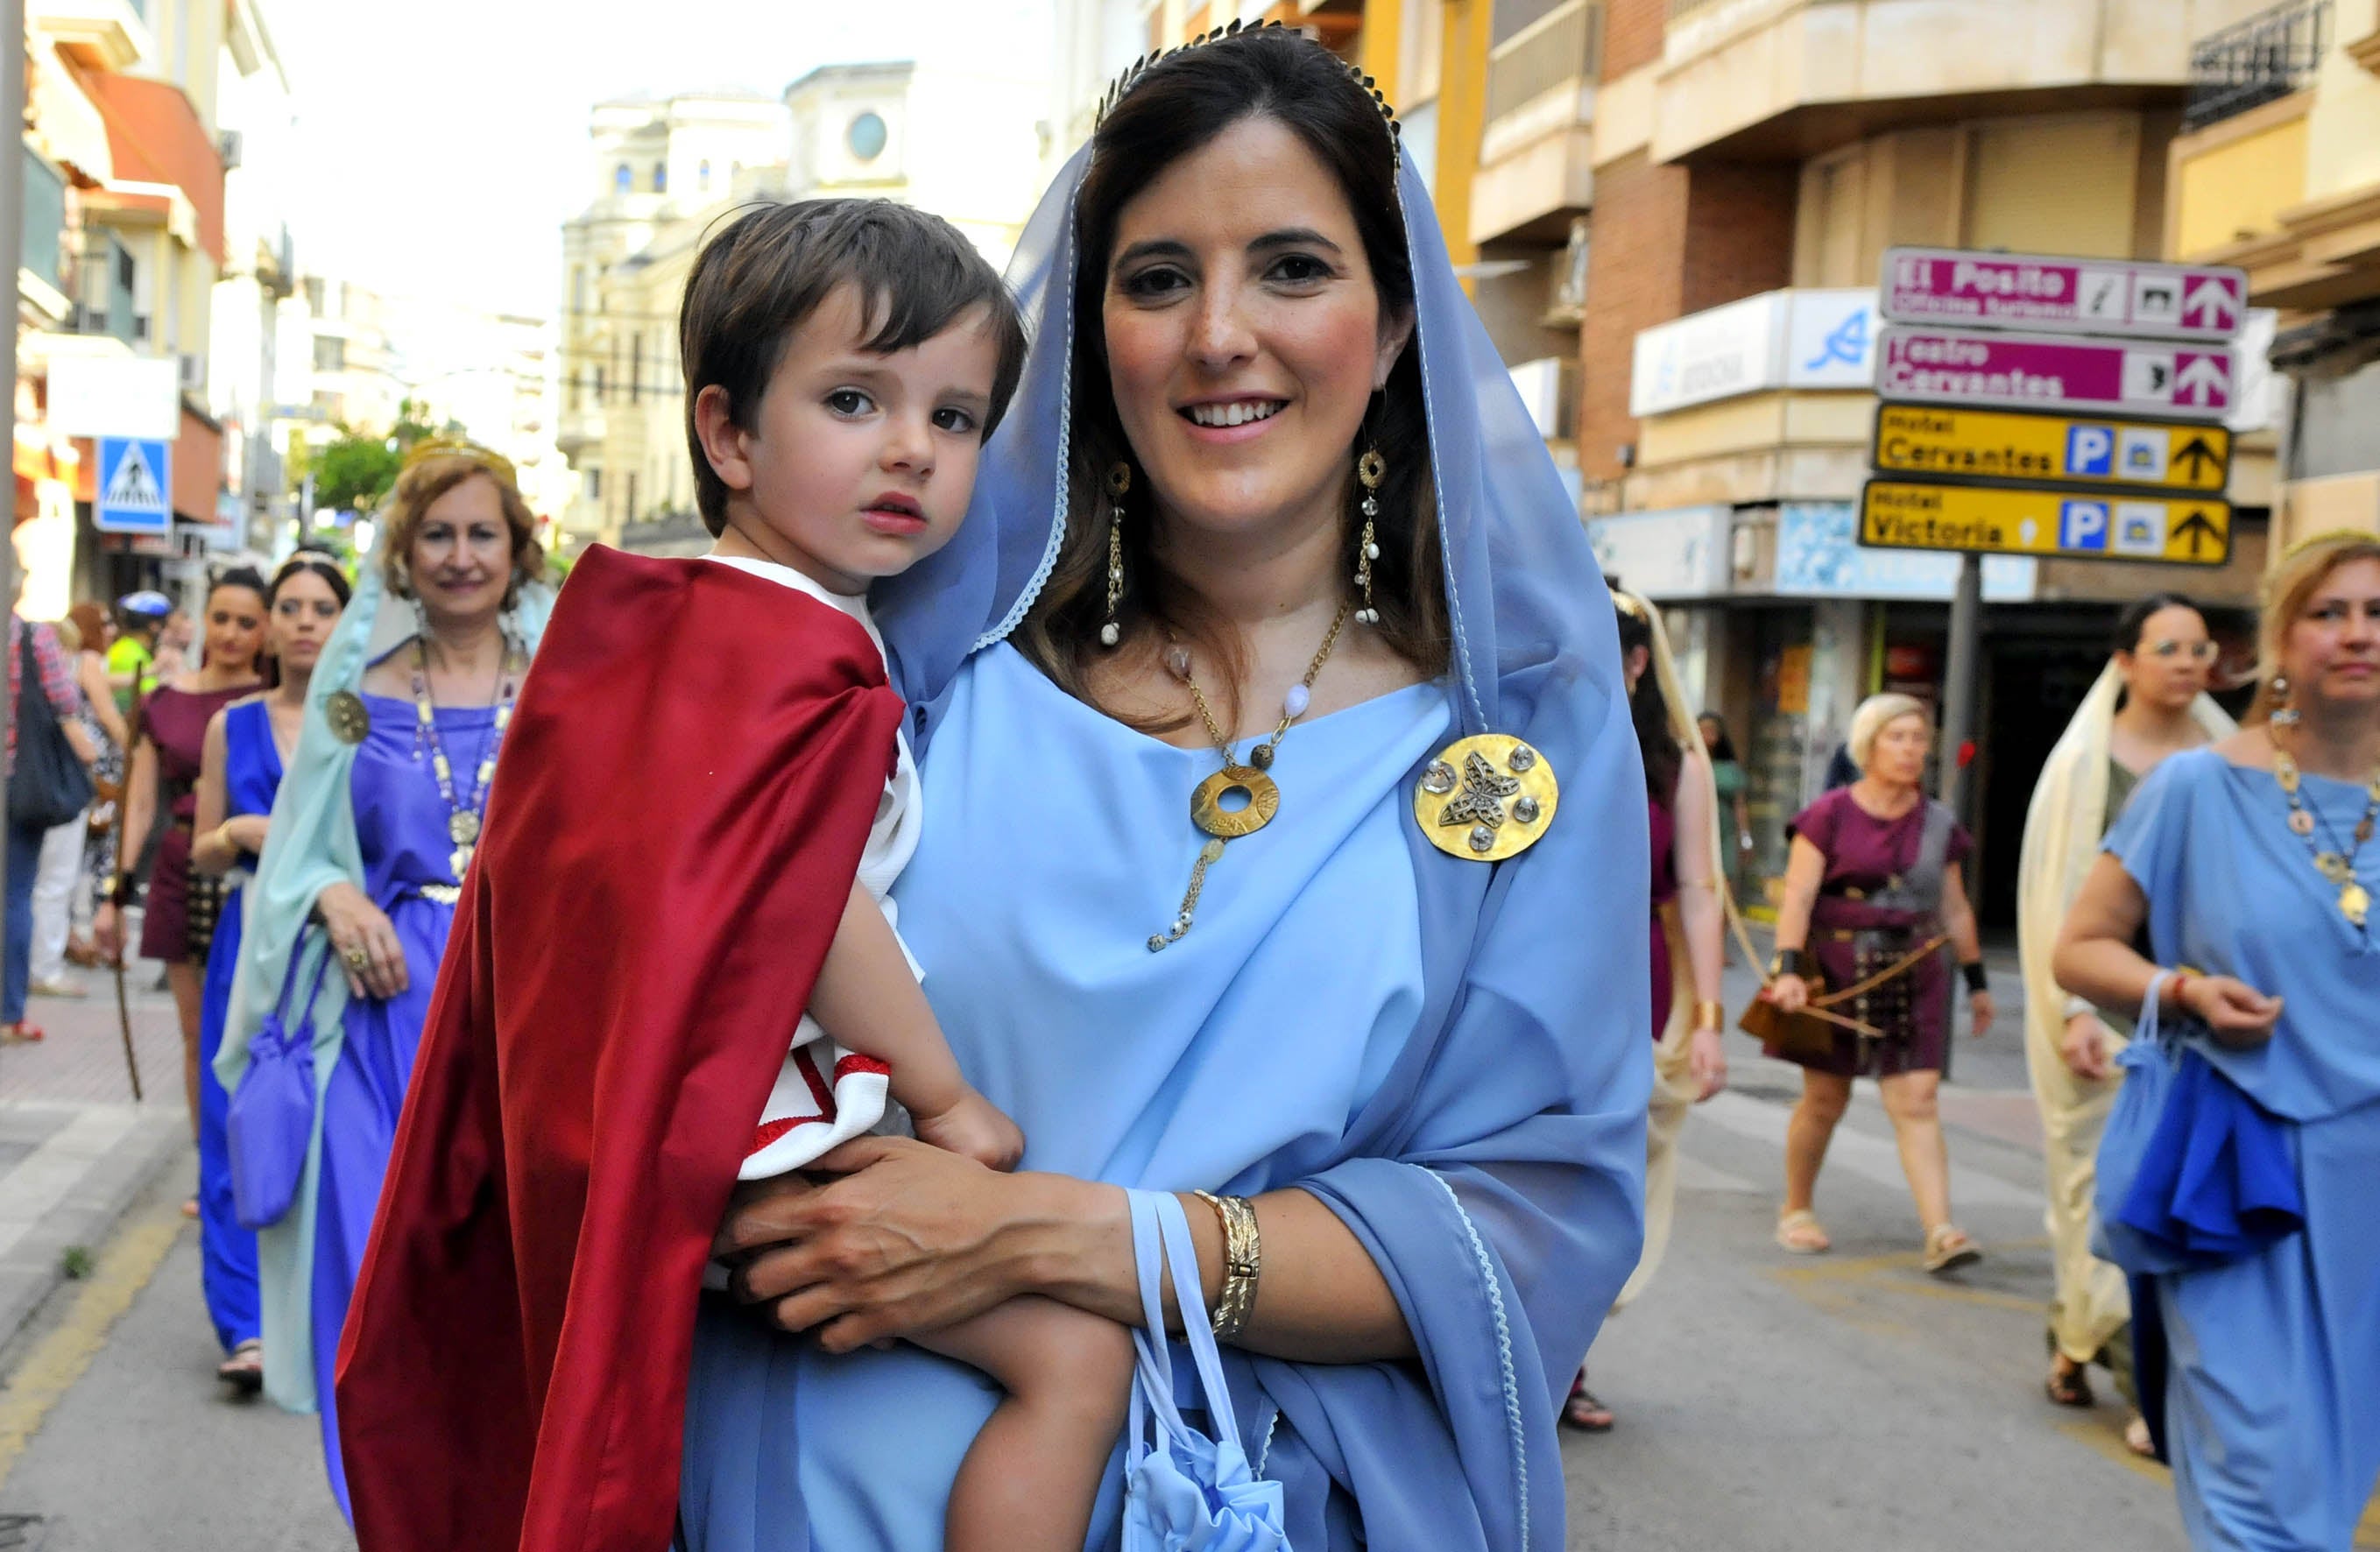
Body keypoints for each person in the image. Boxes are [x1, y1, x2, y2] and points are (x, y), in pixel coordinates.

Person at [655, 29, 1641, 1550]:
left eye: (1293, 269)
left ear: (1392, 332)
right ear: (1087, 331)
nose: (1217, 335)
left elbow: (1527, 1226)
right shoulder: (913, 680)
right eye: (1159, 276)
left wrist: (1035, 1238)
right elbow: (656, 1007)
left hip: (1261, 1505)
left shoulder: (1519, 752)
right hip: (802, 1487)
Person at [337, 201, 1135, 1552]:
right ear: (726, 434)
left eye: (955, 419)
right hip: (762, 1138)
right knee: (1075, 1363)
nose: (910, 450)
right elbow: (808, 901)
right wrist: (949, 1103)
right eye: (852, 399)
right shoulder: (800, 664)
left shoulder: (656, 629)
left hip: (638, 1123)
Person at [215, 441, 552, 1515]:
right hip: (380, 1029)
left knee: (506, 1300)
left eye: (480, 533)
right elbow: (305, 849)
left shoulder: (558, 682)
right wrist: (335, 894)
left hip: (521, 1030)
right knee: (372, 1290)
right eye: (436, 534)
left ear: (516, 547)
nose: (460, 556)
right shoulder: (355, 697)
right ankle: (389, 1520)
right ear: (403, 555)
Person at [2054, 531, 2380, 1551]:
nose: (2357, 634)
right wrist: (2181, 986)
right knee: (2257, 1476)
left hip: (2366, 1187)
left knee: (2328, 1479)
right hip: (2240, 1169)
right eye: (2328, 612)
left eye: (2377, 614)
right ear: (2277, 640)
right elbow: (2080, 947)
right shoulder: (2195, 789)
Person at [2016, 593, 2229, 1454]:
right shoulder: (2082, 767)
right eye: (2166, 646)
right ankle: (2131, 1367)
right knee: (2098, 1193)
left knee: (2175, 1192)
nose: (2184, 662)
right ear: (2126, 659)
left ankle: (2075, 1340)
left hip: (2202, 1007)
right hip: (2100, 1010)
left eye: (2198, 647)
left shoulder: (2229, 757)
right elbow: (2058, 894)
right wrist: (2070, 1007)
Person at [184, 555, 350, 1393]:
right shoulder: (232, 726)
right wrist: (243, 832)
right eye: (289, 606)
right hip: (251, 949)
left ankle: (332, 1314)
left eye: (322, 607)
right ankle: (245, 1325)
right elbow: (201, 851)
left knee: (336, 1132)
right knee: (234, 1127)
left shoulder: (369, 722)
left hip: (343, 954)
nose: (304, 621)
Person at [1564, 590, 1728, 1433]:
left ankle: (1569, 1361)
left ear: (1640, 661)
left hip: (1636, 981)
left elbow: (1697, 891)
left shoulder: (1676, 762)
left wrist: (1705, 1020)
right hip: (1541, 976)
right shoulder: (1536, 727)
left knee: (1603, 1175)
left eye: (1616, 648)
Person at [1767, 693, 1995, 1269]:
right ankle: (1796, 1208)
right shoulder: (1828, 815)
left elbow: (1955, 908)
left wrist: (1976, 980)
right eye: (1897, 738)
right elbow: (1797, 897)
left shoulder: (1938, 822)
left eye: (1918, 739)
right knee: (1824, 1097)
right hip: (1837, 965)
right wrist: (1789, 970)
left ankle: (1940, 1230)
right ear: (1867, 747)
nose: (1910, 749)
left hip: (1912, 971)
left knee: (1917, 1098)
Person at [95, 572, 269, 1135]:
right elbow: (140, 802)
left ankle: (253, 1171)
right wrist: (113, 893)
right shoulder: (163, 701)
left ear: (267, 628)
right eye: (220, 618)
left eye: (247, 622)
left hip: (263, 869)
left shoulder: (283, 700)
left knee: (259, 1030)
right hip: (182, 866)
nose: (232, 633)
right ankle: (208, 1170)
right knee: (196, 1031)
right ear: (199, 623)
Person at [5, 599, 97, 1043]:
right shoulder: (32, 635)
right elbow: (65, 700)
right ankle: (8, 1014)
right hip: (20, 781)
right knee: (17, 893)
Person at [59, 602, 128, 976]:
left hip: (80, 775)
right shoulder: (87, 660)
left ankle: (71, 934)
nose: (112, 629)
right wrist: (135, 756)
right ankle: (104, 939)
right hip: (102, 776)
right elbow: (108, 714)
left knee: (76, 856)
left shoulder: (74, 663)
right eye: (104, 623)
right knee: (101, 852)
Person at [1698, 711, 1752, 902]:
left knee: (1726, 891)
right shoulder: (1689, 761)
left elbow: (1740, 804)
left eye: (1711, 731)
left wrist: (1745, 838)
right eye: (1702, 730)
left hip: (1725, 833)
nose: (1707, 735)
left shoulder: (1729, 768)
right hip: (1697, 833)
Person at [106, 590, 171, 716]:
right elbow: (152, 699)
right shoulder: (130, 653)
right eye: (164, 624)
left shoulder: (129, 648)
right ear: (154, 625)